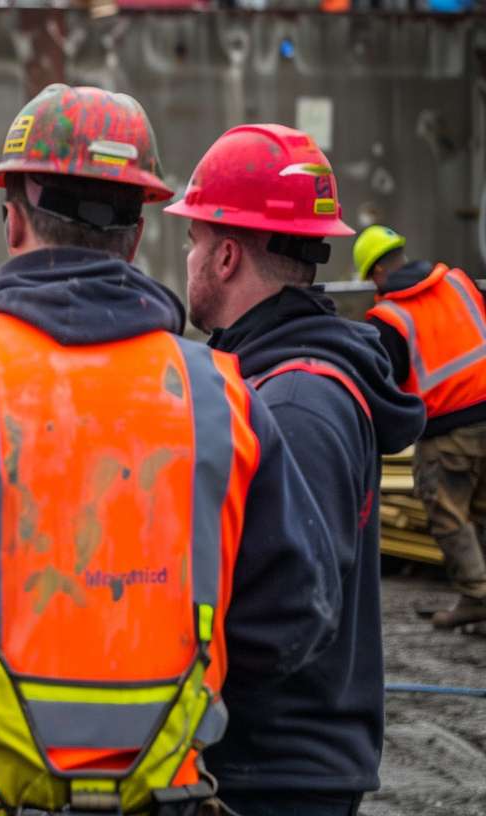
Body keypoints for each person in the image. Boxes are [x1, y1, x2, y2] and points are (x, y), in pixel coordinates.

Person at [0, 84, 341, 816]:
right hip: (162, 794)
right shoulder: (222, 399)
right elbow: (296, 617)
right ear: (136, 233)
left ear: (13, 220)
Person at [166, 125, 425, 816]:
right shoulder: (279, 380)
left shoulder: (296, 401)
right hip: (278, 763)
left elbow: (295, 611)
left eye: (192, 241)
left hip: (276, 774)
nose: (188, 258)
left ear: (225, 256)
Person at [357, 223, 486, 631]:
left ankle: (478, 596)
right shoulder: (459, 282)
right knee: (482, 511)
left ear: (377, 272)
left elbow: (386, 386)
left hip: (449, 429)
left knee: (447, 513)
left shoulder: (389, 318)